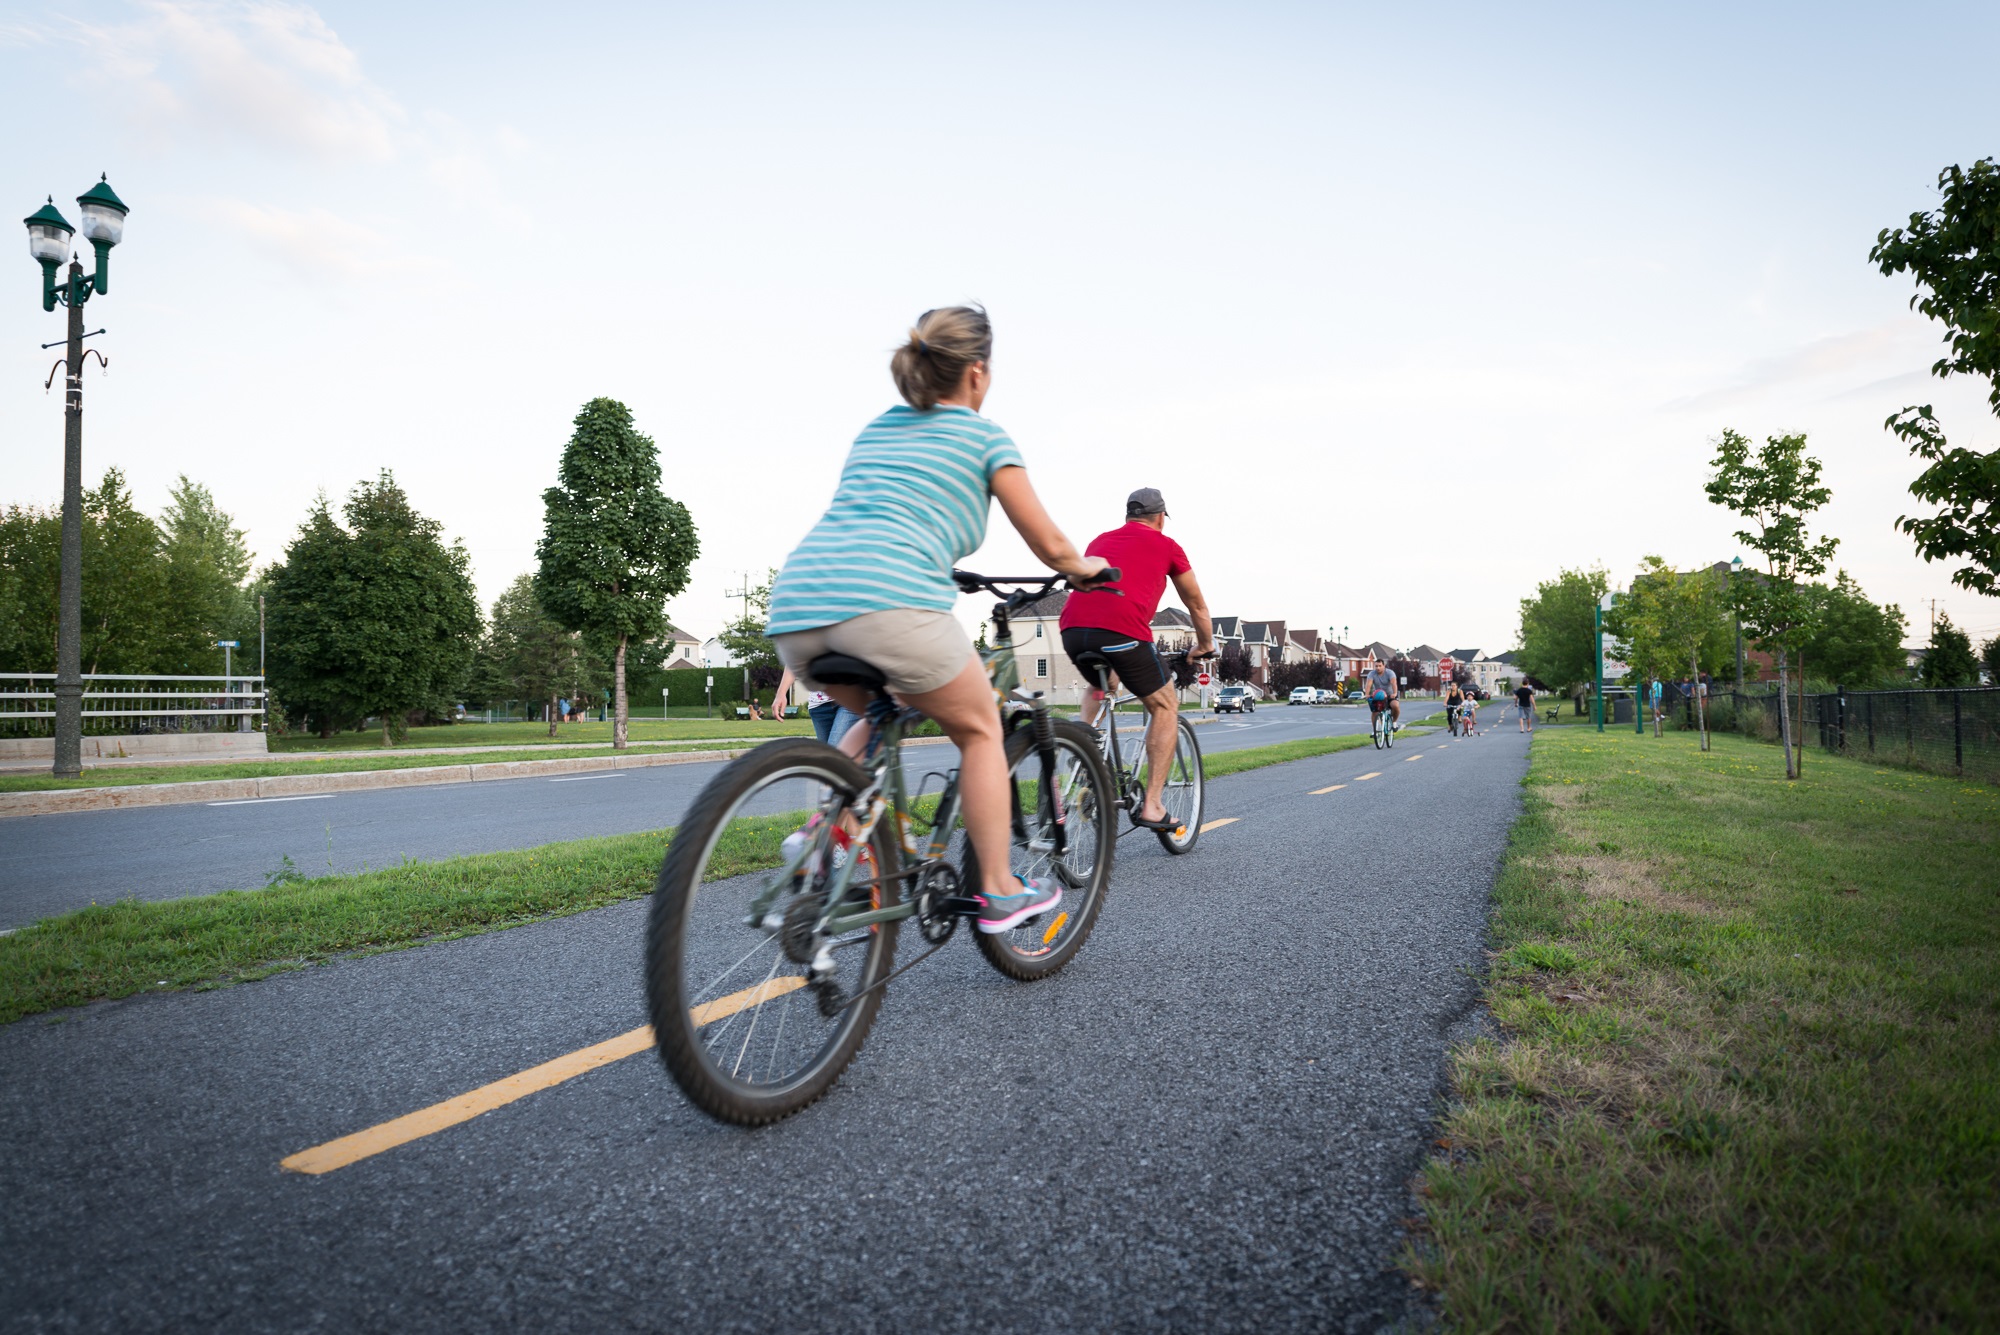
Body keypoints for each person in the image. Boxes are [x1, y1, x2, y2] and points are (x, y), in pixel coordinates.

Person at [764, 305, 1107, 936]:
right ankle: (998, 888)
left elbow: (881, 514)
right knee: (980, 729)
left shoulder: (877, 429)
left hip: (799, 606)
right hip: (888, 604)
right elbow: (1052, 546)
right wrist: (1086, 569)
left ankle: (825, 833)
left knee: (884, 710)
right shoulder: (985, 437)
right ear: (977, 371)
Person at [1058, 487, 1215, 830]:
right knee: (1165, 706)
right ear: (1161, 518)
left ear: (1128, 516)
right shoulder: (1168, 546)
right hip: (1123, 633)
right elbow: (1196, 605)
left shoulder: (1100, 540)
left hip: (1073, 630)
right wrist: (1204, 645)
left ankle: (1081, 750)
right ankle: (1153, 806)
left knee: (1104, 682)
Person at [772, 666, 862, 747]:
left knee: (832, 752)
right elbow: (793, 661)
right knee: (826, 754)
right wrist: (781, 693)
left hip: (848, 699)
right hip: (818, 705)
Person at [1364, 660, 1400, 731]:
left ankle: (1394, 722)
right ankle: (1375, 731)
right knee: (1374, 712)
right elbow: (1368, 685)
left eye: (1380, 666)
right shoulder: (1372, 674)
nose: (1378, 668)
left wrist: (1395, 693)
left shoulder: (1390, 673)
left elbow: (1393, 683)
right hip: (1378, 696)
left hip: (1390, 695)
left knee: (1395, 706)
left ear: (1384, 666)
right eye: (1376, 666)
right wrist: (1367, 694)